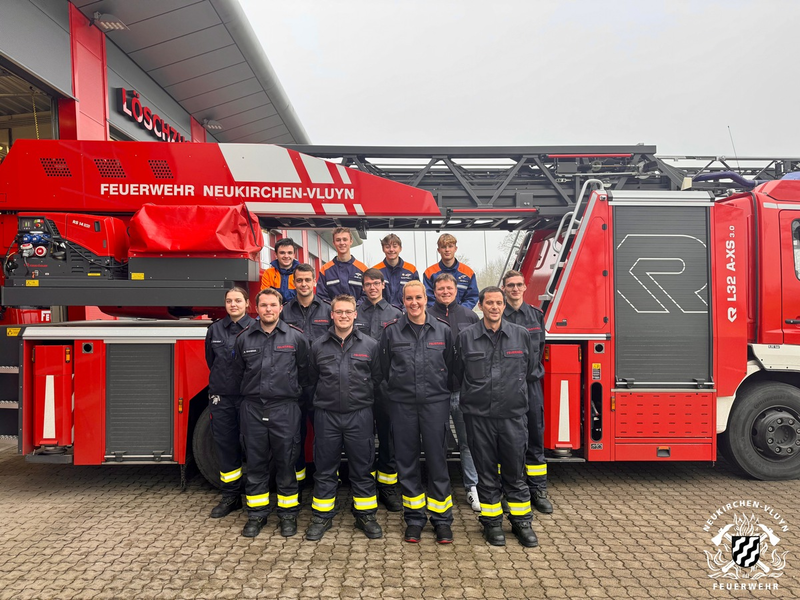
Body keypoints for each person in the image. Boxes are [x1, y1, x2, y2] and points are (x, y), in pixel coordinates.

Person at [454, 286, 539, 548]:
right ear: (480, 306)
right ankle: (492, 524)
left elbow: (530, 370)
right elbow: (458, 374)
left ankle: (521, 522)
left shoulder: (521, 335)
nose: (494, 307)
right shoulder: (466, 337)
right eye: (489, 303)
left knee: (515, 472)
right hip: (478, 417)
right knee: (486, 472)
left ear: (504, 305)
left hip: (512, 416)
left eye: (498, 303)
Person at [380, 280, 455, 544]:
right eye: (409, 299)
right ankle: (414, 518)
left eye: (418, 298)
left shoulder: (443, 331)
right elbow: (382, 370)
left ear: (427, 298)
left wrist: (440, 393)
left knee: (437, 462)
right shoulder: (391, 332)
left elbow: (453, 369)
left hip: (435, 404)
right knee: (407, 463)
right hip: (403, 407)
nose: (414, 303)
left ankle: (442, 520)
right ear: (402, 302)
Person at [305, 295, 384, 541]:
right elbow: (310, 380)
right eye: (339, 312)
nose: (343, 316)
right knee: (325, 468)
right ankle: (322, 516)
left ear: (355, 314)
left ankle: (366, 516)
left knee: (362, 468)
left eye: (348, 312)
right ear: (331, 314)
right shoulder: (318, 346)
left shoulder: (370, 345)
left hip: (359, 416)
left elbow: (378, 379)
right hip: (326, 416)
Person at [232, 288, 309, 538]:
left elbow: (306, 374)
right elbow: (237, 374)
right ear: (256, 308)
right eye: (263, 305)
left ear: (280, 308)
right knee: (255, 465)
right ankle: (257, 515)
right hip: (252, 409)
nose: (268, 309)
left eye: (272, 305)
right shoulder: (244, 339)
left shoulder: (296, 338)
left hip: (285, 409)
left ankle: (287, 516)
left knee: (286, 464)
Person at [428, 273, 480, 513]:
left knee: (467, 442)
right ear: (435, 291)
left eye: (449, 288)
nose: (445, 292)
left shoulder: (470, 316)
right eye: (441, 289)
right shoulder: (427, 315)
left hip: (463, 391)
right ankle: (440, 487)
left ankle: (472, 487)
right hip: (436, 391)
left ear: (456, 290)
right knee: (437, 442)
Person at [501, 270, 552, 514]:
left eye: (519, 285)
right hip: (507, 388)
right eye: (510, 285)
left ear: (524, 287)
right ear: (504, 288)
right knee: (509, 440)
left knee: (534, 435)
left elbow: (540, 350)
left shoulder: (536, 315)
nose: (515, 289)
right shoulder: (499, 315)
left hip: (531, 385)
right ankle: (511, 486)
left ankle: (538, 489)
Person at [204, 287, 255, 519]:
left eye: (237, 300)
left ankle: (255, 497)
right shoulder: (214, 329)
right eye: (229, 301)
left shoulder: (256, 328)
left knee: (255, 448)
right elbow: (210, 360)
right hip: (222, 398)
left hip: (249, 398)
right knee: (226, 447)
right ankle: (230, 497)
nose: (233, 304)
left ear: (247, 303)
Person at [355, 268, 402, 512]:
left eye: (376, 283)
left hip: (386, 387)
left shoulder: (395, 314)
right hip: (360, 386)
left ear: (383, 285)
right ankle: (364, 486)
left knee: (388, 438)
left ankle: (387, 487)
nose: (372, 287)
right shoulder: (355, 313)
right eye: (368, 284)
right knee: (362, 440)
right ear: (362, 287)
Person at [281, 263, 332, 486]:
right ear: (294, 283)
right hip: (294, 384)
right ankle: (298, 483)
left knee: (324, 437)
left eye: (307, 280)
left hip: (322, 384)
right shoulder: (284, 311)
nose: (303, 284)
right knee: (295, 436)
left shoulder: (328, 310)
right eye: (299, 280)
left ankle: (326, 481)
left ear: (315, 282)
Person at [423, 233, 479, 309]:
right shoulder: (429, 273)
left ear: (455, 249)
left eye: (450, 246)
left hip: (461, 316)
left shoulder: (468, 272)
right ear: (438, 250)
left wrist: (459, 311)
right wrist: (440, 312)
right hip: (437, 317)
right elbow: (428, 297)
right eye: (443, 247)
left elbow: (472, 297)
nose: (447, 250)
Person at [317, 227, 368, 303]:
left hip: (357, 313)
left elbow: (366, 294)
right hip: (333, 313)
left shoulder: (363, 269)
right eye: (338, 240)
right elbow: (321, 296)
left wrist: (353, 309)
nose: (341, 243)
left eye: (345, 239)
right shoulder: (325, 270)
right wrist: (336, 309)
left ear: (351, 241)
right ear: (333, 243)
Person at [372, 233, 419, 308]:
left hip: (405, 313)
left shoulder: (411, 270)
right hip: (382, 312)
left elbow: (417, 293)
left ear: (400, 248)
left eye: (395, 246)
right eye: (387, 247)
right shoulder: (376, 270)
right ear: (383, 249)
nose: (391, 250)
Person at [260, 237, 300, 303]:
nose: (286, 256)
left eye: (289, 253)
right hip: (274, 310)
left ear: (294, 255)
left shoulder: (300, 273)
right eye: (282, 253)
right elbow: (265, 296)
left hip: (296, 311)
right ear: (276, 255)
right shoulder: (268, 273)